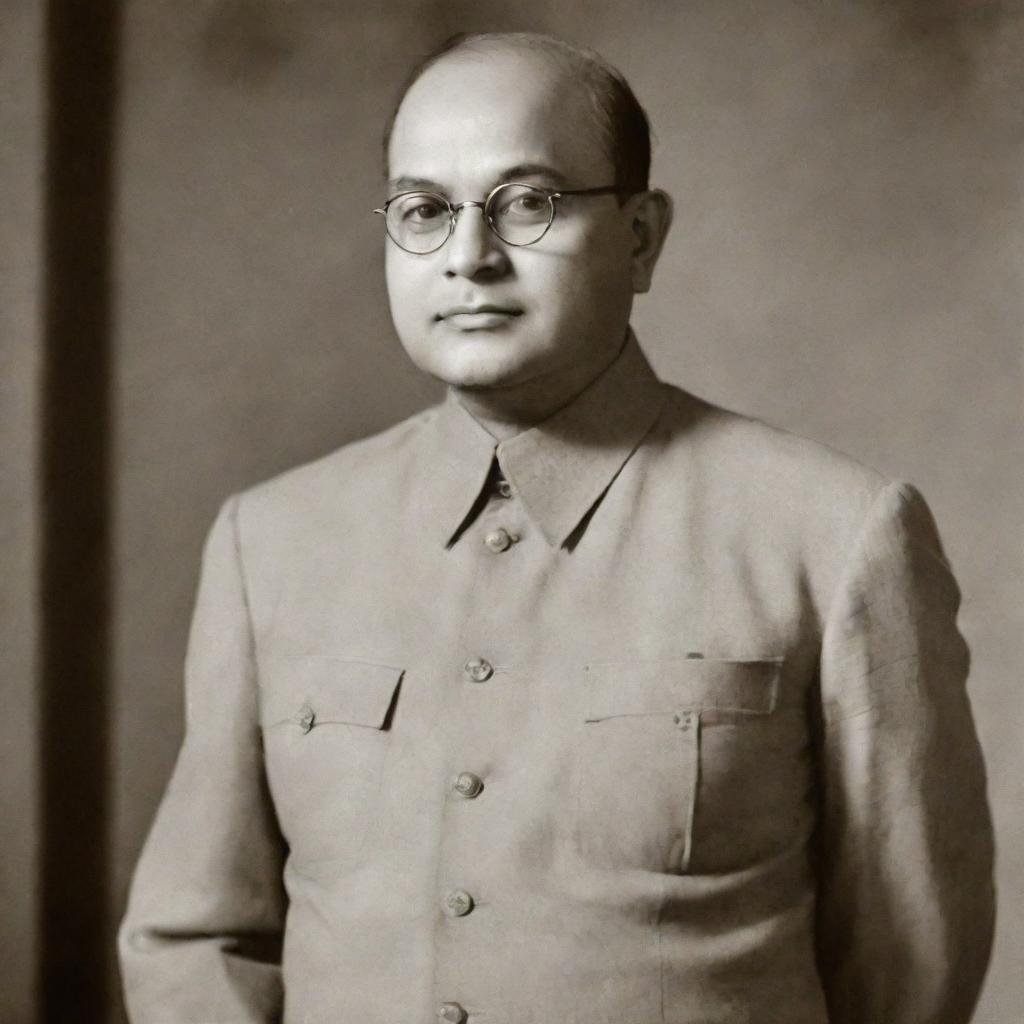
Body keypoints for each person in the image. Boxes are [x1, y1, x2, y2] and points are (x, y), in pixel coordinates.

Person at [119, 31, 995, 1024]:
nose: (468, 255)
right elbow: (193, 936)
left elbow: (907, 967)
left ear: (640, 236)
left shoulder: (834, 537)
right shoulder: (269, 541)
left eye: (527, 202)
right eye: (422, 210)